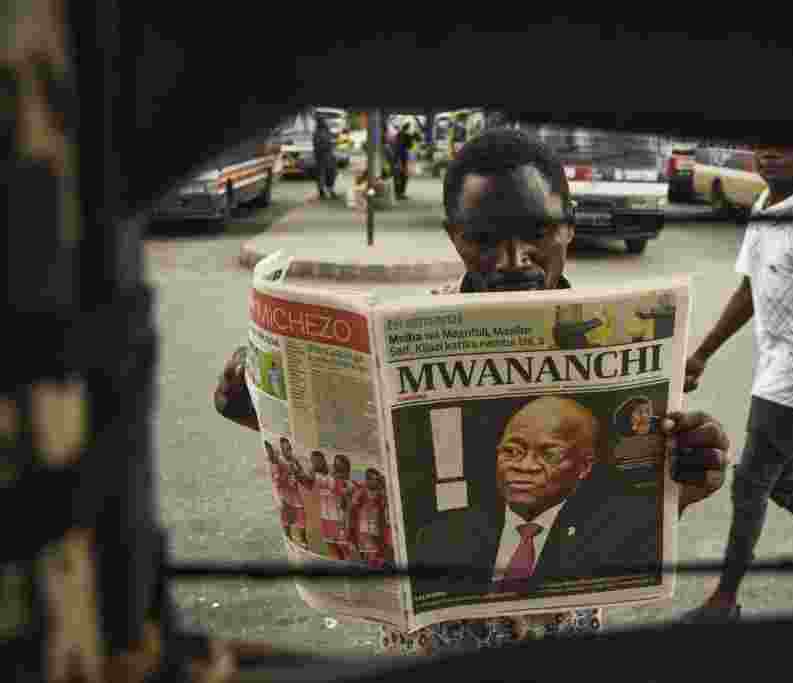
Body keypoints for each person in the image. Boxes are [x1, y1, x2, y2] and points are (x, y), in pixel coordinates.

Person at [214, 128, 732, 656]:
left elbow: (625, 511)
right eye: (484, 239)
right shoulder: (398, 337)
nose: (513, 259)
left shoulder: (615, 342)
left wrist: (687, 479)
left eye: (538, 232)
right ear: (453, 235)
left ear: (570, 226)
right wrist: (257, 405)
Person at [679, 143, 793, 624]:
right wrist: (701, 354)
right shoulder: (764, 206)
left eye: (784, 147)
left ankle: (724, 601)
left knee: (750, 486)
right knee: (783, 483)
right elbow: (750, 289)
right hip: (773, 366)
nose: (769, 155)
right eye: (762, 146)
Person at [413, 396, 657, 597]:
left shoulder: (619, 533)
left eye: (548, 454)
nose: (524, 466)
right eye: (512, 451)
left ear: (584, 467)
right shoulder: (440, 537)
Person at [393, 122, 420, 200]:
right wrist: (415, 132)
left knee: (398, 177)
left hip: (398, 159)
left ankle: (398, 193)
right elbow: (415, 141)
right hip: (403, 159)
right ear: (408, 128)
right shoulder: (407, 136)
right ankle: (401, 193)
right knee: (403, 177)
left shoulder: (399, 135)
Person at [313, 114, 338, 200]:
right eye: (324, 120)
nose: (325, 122)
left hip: (328, 155)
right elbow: (318, 146)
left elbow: (329, 141)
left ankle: (328, 191)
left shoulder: (325, 131)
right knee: (323, 174)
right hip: (322, 156)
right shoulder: (318, 133)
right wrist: (328, 145)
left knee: (331, 173)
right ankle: (323, 192)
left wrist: (331, 144)